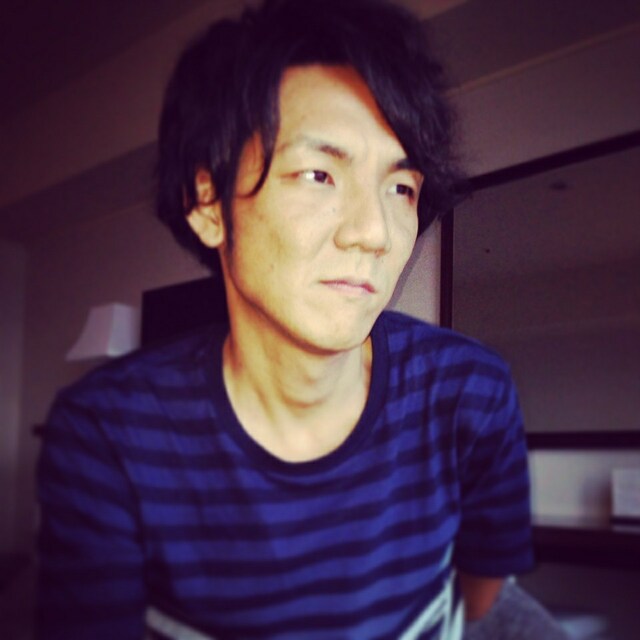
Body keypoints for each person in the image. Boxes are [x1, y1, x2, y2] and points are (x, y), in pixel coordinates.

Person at [36, 0, 534, 638]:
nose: (375, 233)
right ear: (207, 205)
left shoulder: (472, 392)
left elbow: (486, 604)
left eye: (400, 189)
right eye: (319, 174)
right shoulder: (108, 433)